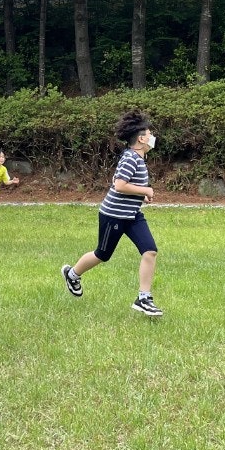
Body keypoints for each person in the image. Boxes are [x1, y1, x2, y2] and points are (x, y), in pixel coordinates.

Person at [60, 110, 164, 316]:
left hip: (132, 215)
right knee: (102, 254)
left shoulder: (137, 158)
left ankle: (144, 298)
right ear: (141, 139)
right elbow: (119, 185)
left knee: (150, 250)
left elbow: (121, 182)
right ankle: (72, 274)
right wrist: (146, 190)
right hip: (113, 215)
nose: (152, 137)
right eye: (149, 134)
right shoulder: (131, 158)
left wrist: (140, 196)